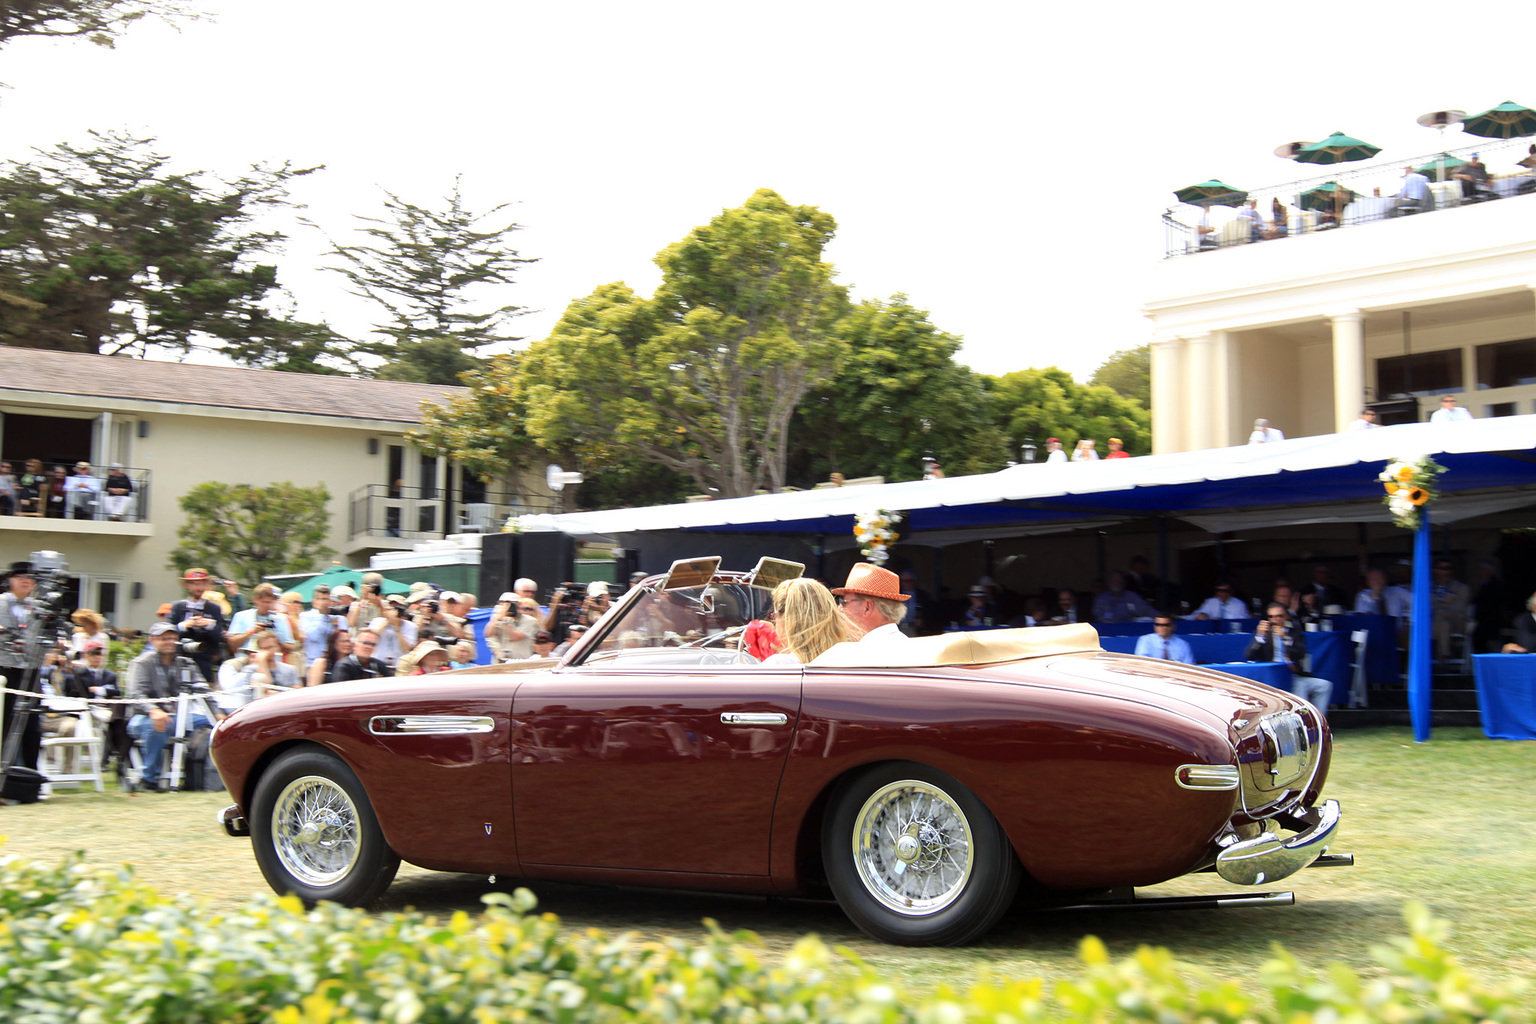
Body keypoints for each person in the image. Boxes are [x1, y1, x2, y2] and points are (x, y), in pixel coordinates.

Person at [127, 622, 216, 791]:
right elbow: (135, 694)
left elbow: (203, 690)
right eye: (163, 638)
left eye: (172, 638)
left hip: (178, 717)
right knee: (155, 727)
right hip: (144, 717)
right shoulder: (141, 663)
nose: (169, 642)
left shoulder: (185, 663)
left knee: (215, 725)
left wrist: (218, 714)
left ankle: (201, 777)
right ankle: (149, 780)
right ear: (152, 640)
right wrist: (153, 710)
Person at [1246, 604, 1331, 713]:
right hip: (1272, 677)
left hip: (1292, 674)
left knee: (1325, 686)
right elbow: (1249, 655)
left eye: (1279, 616)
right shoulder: (1263, 633)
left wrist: (1285, 638)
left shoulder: (1294, 632)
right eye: (1271, 617)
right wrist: (1259, 637)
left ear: (1286, 617)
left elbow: (1300, 654)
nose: (1275, 620)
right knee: (1300, 687)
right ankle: (1300, 724)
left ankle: (1319, 723)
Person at [1, 561, 43, 775]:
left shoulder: (40, 607)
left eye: (30, 578)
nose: (26, 581)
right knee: (4, 724)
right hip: (4, 670)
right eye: (20, 577)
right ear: (10, 580)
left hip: (31, 670)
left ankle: (30, 778)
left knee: (32, 725)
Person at [760, 578, 847, 665]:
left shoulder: (778, 664)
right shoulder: (847, 660)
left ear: (787, 620)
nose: (774, 623)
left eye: (774, 615)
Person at [169, 568, 228, 682]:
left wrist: (209, 625)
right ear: (187, 586)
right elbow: (168, 631)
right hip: (179, 658)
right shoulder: (178, 607)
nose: (199, 588)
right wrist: (184, 625)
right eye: (195, 584)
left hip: (203, 660)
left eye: (202, 584)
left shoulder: (214, 608)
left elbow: (219, 638)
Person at [832, 563, 911, 642]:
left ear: (867, 607)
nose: (840, 609)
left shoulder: (867, 649)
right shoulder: (905, 642)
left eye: (844, 602)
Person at [226, 582, 296, 655]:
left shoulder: (281, 618)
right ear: (255, 600)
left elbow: (290, 648)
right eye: (264, 602)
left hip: (272, 660)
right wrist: (251, 632)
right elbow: (232, 644)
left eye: (271, 602)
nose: (268, 605)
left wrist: (274, 640)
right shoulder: (242, 616)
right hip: (247, 659)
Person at [238, 630, 304, 697]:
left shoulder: (290, 669)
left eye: (270, 647)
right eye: (263, 648)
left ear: (278, 647)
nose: (267, 651)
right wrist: (261, 661)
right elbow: (264, 689)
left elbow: (297, 692)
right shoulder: (250, 670)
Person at [1430, 560, 1471, 663]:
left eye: (1449, 569)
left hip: (1457, 622)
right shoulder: (1427, 588)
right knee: (1443, 625)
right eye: (1443, 569)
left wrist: (1440, 606)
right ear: (1435, 570)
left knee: (1440, 615)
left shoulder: (1462, 588)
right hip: (1436, 625)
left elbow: (1458, 608)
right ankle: (1444, 658)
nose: (1446, 572)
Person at [486, 593, 538, 662]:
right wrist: (497, 618)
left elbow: (514, 637)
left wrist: (504, 622)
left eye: (511, 605)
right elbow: (489, 634)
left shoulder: (529, 620)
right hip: (501, 662)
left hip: (521, 661)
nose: (508, 608)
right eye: (504, 605)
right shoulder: (497, 618)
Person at [297, 585, 337, 667]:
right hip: (312, 662)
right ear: (313, 601)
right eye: (320, 599)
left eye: (325, 599)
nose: (323, 602)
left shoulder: (335, 617)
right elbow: (313, 636)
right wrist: (322, 616)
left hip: (332, 661)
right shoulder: (305, 616)